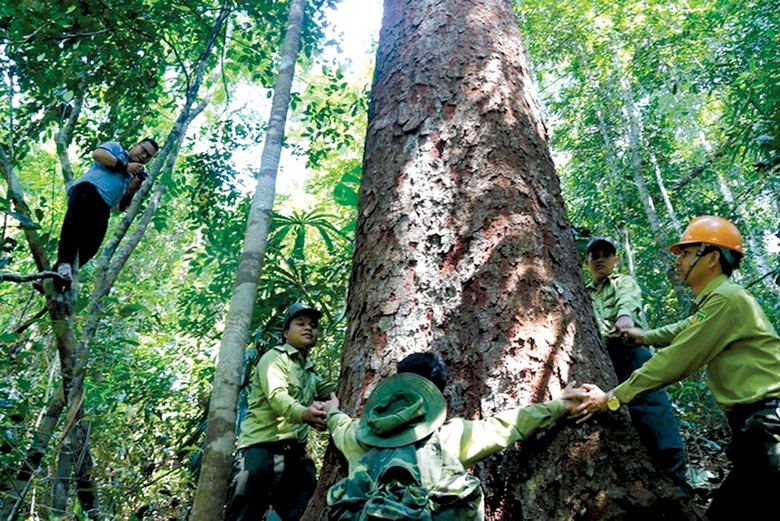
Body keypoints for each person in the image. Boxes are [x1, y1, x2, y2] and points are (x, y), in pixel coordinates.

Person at [574, 216, 780, 520]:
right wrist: (644, 336)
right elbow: (686, 328)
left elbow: (676, 360)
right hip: (754, 428)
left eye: (685, 253)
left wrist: (611, 398)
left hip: (769, 424)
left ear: (711, 258)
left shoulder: (725, 300)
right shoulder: (719, 301)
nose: (678, 260)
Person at [322, 352, 585, 520]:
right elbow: (507, 426)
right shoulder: (449, 436)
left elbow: (338, 424)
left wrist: (332, 410)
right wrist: (558, 406)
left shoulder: (359, 435)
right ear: (436, 396)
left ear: (397, 385)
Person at [584, 236, 689, 492]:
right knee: (613, 418)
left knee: (653, 411)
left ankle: (677, 483)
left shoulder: (622, 281)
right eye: (594, 255)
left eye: (606, 255)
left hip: (630, 351)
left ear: (615, 260)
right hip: (600, 358)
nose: (600, 259)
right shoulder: (582, 293)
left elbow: (628, 299)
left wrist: (624, 316)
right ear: (587, 262)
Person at [225, 303, 337, 521]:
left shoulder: (309, 372)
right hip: (259, 453)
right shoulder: (274, 358)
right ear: (285, 333)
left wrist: (333, 401)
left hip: (294, 459)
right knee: (243, 517)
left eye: (313, 325)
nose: (308, 328)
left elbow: (334, 389)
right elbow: (278, 396)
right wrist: (305, 413)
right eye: (300, 324)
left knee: (309, 515)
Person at [54, 138, 159, 291]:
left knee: (92, 245)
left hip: (104, 206)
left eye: (148, 156)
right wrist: (125, 166)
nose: (144, 156)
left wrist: (132, 189)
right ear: (135, 145)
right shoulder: (116, 149)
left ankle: (52, 278)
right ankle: (62, 268)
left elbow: (122, 206)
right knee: (73, 230)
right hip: (88, 190)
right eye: (143, 150)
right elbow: (98, 154)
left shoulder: (131, 175)